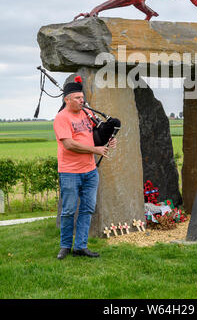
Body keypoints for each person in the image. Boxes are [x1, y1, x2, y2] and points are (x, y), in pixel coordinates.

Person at [53, 77, 116, 260]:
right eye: (78, 98)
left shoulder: (86, 113)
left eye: (83, 97)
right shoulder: (61, 118)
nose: (83, 101)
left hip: (90, 171)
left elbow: (96, 134)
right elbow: (69, 144)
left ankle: (80, 246)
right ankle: (65, 246)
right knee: (69, 210)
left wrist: (108, 139)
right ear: (67, 99)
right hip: (69, 172)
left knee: (87, 209)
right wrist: (94, 150)